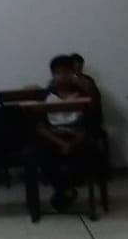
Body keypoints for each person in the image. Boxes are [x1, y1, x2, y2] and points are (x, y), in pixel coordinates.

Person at [35, 54, 92, 212]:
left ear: (73, 73)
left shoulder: (83, 94)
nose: (62, 76)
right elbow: (39, 126)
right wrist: (61, 143)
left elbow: (89, 125)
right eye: (57, 73)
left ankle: (66, 190)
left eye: (66, 72)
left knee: (85, 153)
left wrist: (72, 144)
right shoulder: (46, 96)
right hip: (54, 137)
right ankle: (65, 189)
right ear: (52, 75)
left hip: (77, 136)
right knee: (41, 154)